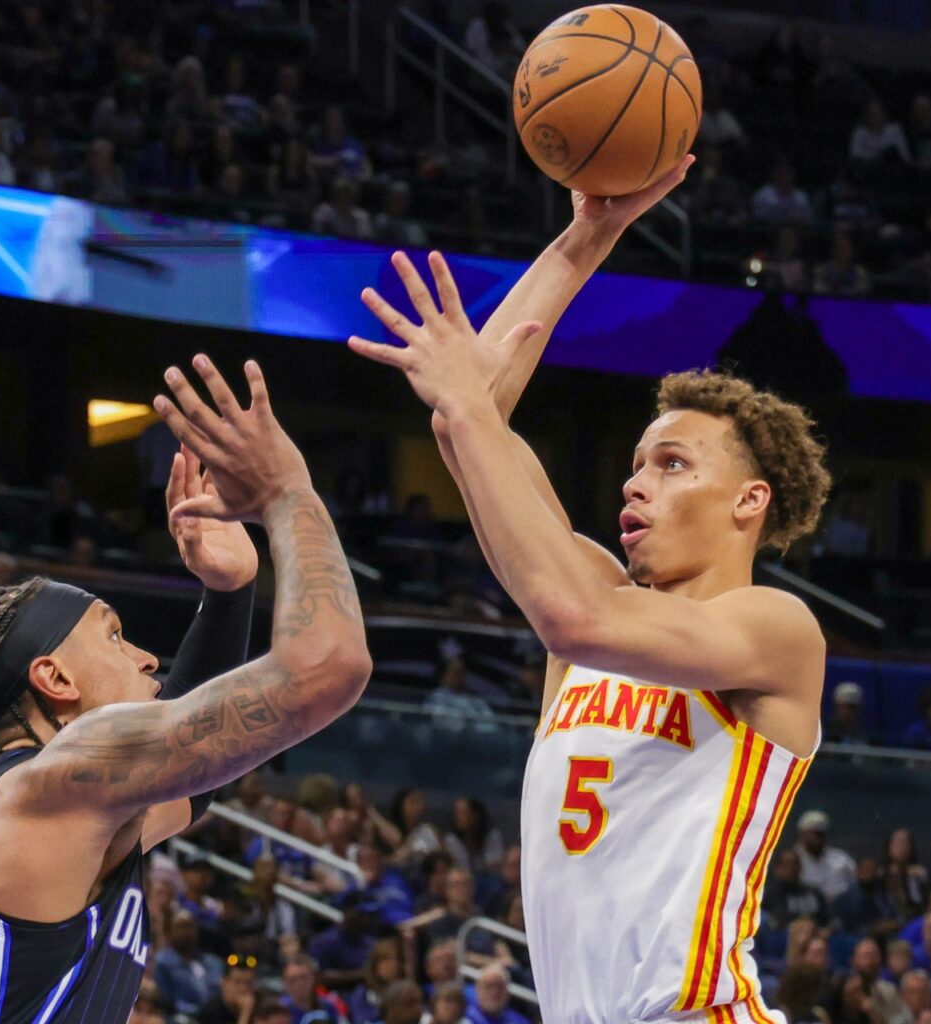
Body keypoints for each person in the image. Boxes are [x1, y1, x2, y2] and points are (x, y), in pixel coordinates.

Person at [350, 161, 830, 1024]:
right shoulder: (595, 597)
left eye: (673, 464)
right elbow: (471, 426)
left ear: (749, 502)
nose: (635, 485)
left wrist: (467, 403)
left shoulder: (771, 628)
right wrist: (589, 234)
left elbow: (572, 619)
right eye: (637, 464)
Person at [0, 358, 370, 1024]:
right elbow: (329, 666)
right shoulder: (55, 783)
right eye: (113, 637)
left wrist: (230, 593)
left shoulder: (60, 806)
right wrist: (288, 494)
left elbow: (196, 780)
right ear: (54, 678)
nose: (145, 656)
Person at [795, 811, 857, 902]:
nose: (816, 838)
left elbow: (856, 883)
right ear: (802, 833)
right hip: (806, 908)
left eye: (821, 834)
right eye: (813, 833)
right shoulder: (793, 859)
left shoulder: (841, 858)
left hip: (841, 907)